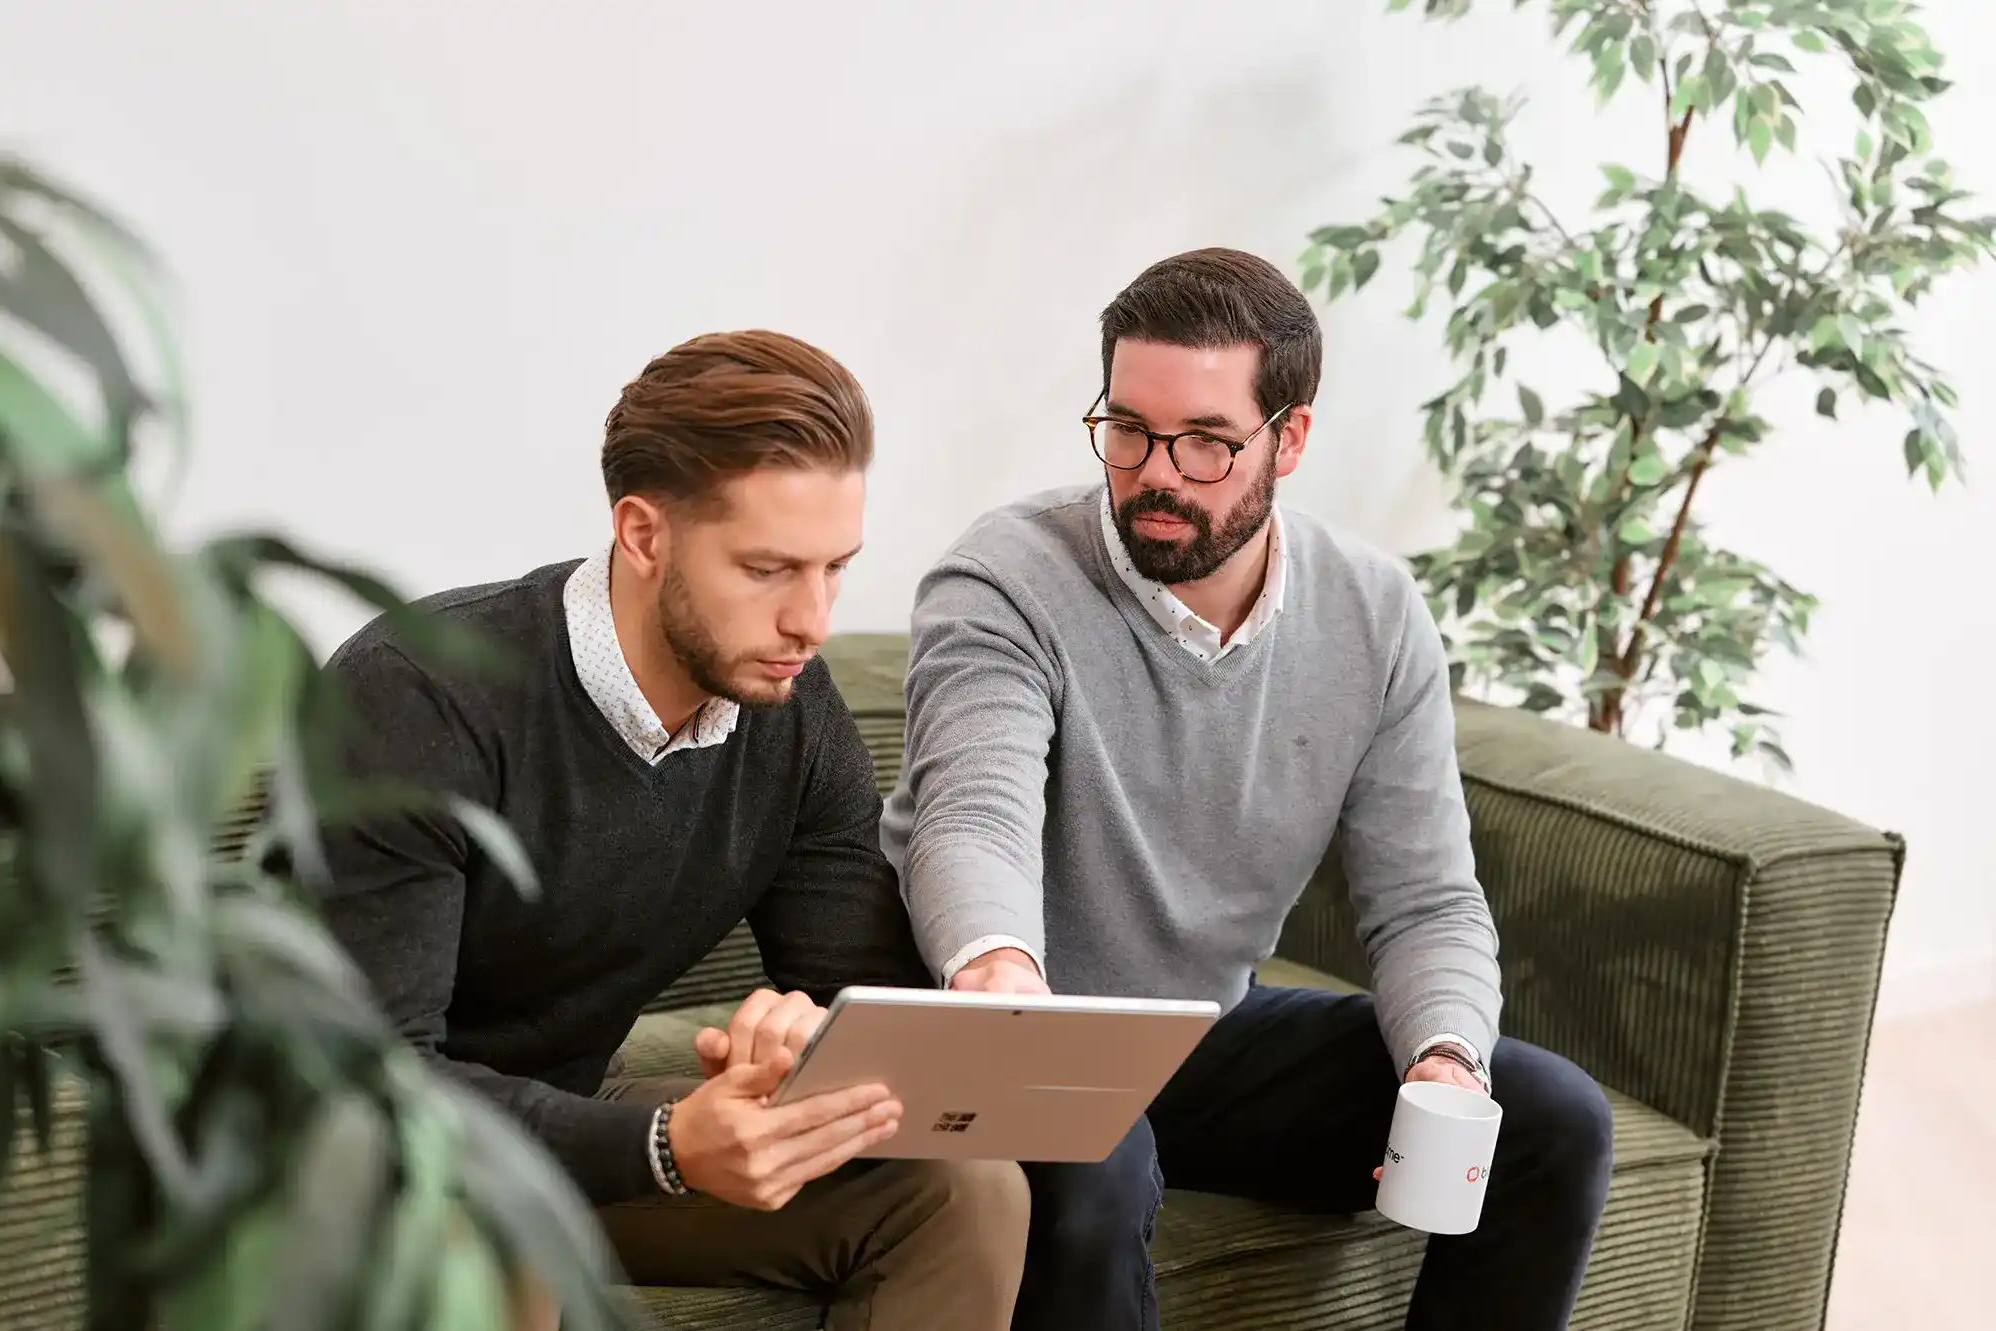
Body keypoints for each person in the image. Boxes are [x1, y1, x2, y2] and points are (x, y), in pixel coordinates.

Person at [878, 249, 1614, 1330]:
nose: (1155, 471)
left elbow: (1423, 900)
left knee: (1550, 1116)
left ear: (1291, 437)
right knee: (1093, 1169)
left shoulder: (1371, 611)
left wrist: (1444, 1059)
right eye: (1125, 429)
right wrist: (996, 972)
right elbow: (969, 813)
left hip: (1198, 1033)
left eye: (1207, 442)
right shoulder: (1005, 576)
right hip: (1013, 1032)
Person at [317, 330, 1030, 1331]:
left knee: (960, 1189)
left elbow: (865, 995)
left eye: (834, 568)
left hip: (571, 1112)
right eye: (769, 568)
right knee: (501, 1250)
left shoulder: (792, 710)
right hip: (352, 1153)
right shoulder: (422, 694)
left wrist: (805, 1044)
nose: (811, 620)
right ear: (644, 534)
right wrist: (661, 1141)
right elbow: (374, 1080)